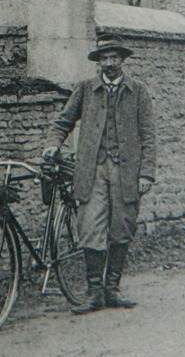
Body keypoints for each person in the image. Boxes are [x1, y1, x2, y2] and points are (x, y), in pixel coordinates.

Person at [43, 36, 157, 313]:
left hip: (125, 171)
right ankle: (94, 292)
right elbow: (63, 122)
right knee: (91, 226)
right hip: (91, 171)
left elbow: (149, 136)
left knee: (122, 227)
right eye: (104, 58)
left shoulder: (138, 91)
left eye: (114, 57)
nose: (109, 63)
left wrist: (146, 174)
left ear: (122, 60)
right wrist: (52, 143)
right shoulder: (85, 90)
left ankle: (112, 290)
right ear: (98, 62)